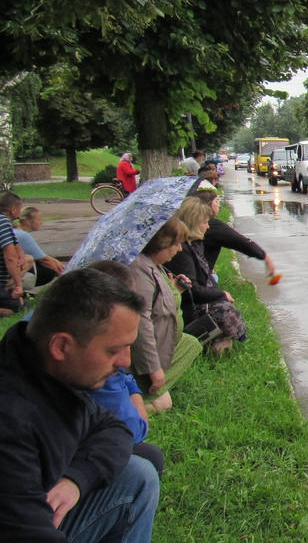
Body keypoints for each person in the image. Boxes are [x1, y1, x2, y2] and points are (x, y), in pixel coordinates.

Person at [0, 268, 160, 542]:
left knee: (138, 473)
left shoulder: (44, 372)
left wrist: (76, 480)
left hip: (35, 512)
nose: (125, 361)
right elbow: (27, 533)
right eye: (113, 350)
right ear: (61, 346)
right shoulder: (11, 420)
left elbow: (115, 429)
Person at [85, 260, 166, 476]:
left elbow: (125, 376)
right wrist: (138, 408)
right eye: (115, 350)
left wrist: (132, 391)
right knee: (147, 460)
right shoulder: (93, 366)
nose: (125, 361)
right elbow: (134, 430)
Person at [129, 217, 203, 410]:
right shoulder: (140, 270)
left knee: (191, 344)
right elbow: (142, 321)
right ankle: (127, 408)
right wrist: (153, 369)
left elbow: (155, 300)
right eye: (176, 244)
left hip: (163, 343)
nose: (179, 249)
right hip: (146, 355)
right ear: (160, 243)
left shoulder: (153, 264)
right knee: (162, 404)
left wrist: (174, 290)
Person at [166, 197, 246, 353]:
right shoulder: (182, 251)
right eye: (204, 222)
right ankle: (213, 347)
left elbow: (205, 274)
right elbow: (193, 289)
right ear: (192, 222)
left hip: (195, 300)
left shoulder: (194, 243)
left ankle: (220, 344)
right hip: (187, 307)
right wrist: (220, 294)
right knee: (223, 311)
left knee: (224, 306)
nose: (208, 227)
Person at [191, 189, 277, 278]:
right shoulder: (212, 225)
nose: (219, 205)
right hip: (198, 278)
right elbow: (240, 242)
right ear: (208, 205)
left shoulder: (192, 221)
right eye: (216, 201)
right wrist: (265, 257)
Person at [15, 207, 65, 290]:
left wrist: (57, 263)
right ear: (29, 222)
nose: (41, 222)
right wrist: (66, 275)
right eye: (39, 219)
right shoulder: (23, 235)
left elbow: (42, 256)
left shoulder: (16, 231)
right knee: (48, 271)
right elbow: (44, 260)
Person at [0, 192, 28, 315]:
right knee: (19, 308)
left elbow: (15, 245)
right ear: (13, 210)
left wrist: (20, 252)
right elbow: (10, 257)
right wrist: (19, 285)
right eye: (20, 209)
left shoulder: (5, 222)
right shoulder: (3, 222)